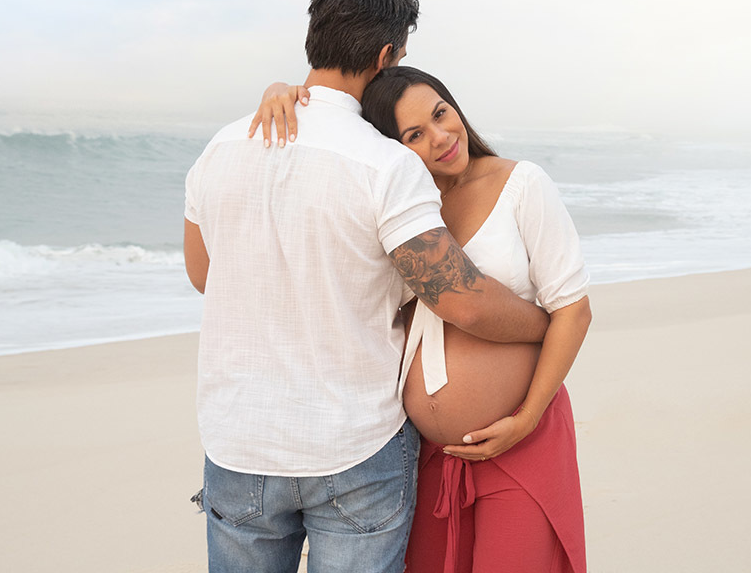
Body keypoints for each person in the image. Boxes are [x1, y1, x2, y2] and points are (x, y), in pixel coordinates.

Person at [183, 0, 550, 573]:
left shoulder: (220, 149)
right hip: (352, 447)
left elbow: (204, 275)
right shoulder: (384, 165)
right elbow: (463, 300)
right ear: (386, 56)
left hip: (239, 442)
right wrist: (548, 324)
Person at [253, 66, 592, 573]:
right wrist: (281, 93)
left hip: (522, 436)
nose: (440, 137)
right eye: (414, 134)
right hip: (424, 455)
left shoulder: (520, 184)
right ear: (392, 146)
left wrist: (526, 419)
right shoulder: (397, 203)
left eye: (441, 114)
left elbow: (573, 309)